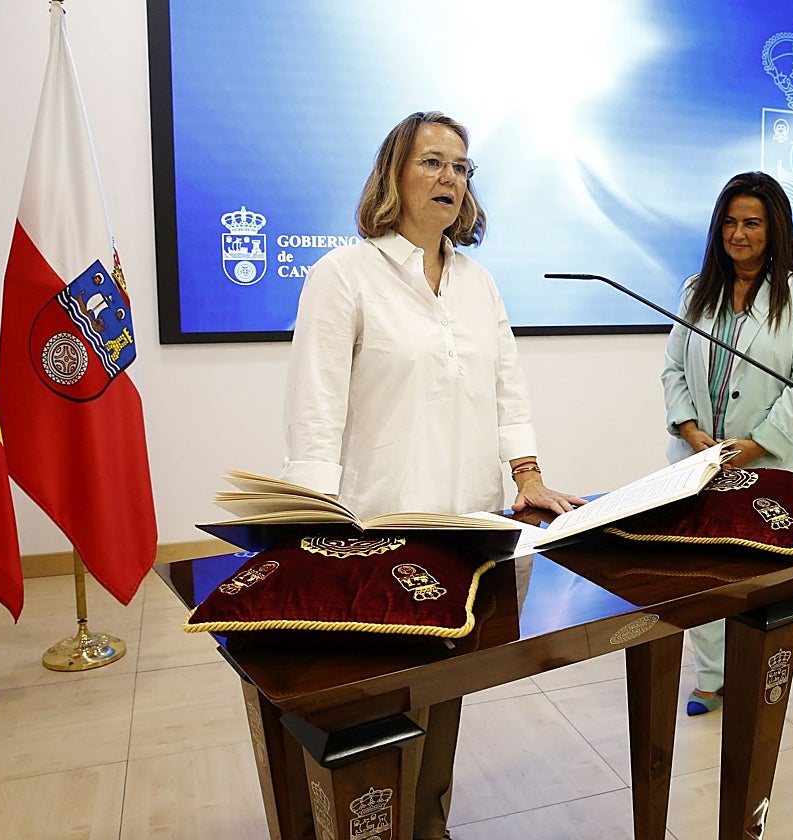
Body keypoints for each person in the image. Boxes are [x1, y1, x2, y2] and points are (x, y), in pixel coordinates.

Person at [280, 110, 584, 840]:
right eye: (433, 162)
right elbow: (314, 408)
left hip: (471, 525)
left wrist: (529, 473)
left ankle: (428, 821)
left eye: (461, 167)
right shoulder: (343, 275)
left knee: (445, 686)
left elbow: (507, 384)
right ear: (394, 173)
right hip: (378, 527)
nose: (451, 178)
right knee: (375, 700)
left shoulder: (479, 285)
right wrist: (311, 521)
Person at [661, 171, 793, 715]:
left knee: (758, 577)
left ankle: (757, 672)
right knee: (699, 571)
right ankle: (711, 674)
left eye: (752, 222)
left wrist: (753, 446)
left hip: (767, 463)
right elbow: (672, 370)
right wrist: (690, 432)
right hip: (696, 460)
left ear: (774, 228)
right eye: (730, 222)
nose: (739, 233)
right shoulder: (696, 290)